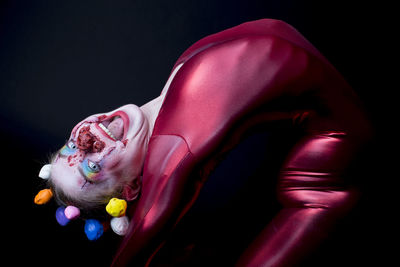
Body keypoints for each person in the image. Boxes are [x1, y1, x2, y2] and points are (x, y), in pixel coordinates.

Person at [38, 19, 371, 266]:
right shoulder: (177, 136)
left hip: (342, 128)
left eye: (71, 146)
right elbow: (152, 222)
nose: (85, 141)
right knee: (318, 198)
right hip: (339, 146)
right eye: (91, 167)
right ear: (133, 188)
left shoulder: (178, 88)